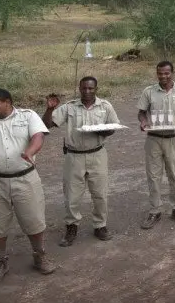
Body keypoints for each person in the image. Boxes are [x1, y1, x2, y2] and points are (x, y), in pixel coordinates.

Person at [0, 88, 56, 284]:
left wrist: (30, 152)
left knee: (34, 220)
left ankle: (39, 255)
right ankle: (1, 262)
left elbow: (38, 136)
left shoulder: (28, 116)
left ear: (7, 102)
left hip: (25, 178)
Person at [43, 77, 121, 246]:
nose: (87, 92)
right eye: (84, 88)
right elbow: (47, 124)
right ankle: (71, 227)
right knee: (71, 195)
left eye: (90, 88)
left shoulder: (105, 106)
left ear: (96, 89)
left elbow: (113, 128)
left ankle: (100, 225)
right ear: (79, 89)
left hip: (97, 154)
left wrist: (104, 131)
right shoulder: (70, 106)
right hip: (74, 156)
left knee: (100, 194)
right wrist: (49, 109)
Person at [136, 61, 175, 229]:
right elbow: (141, 112)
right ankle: (155, 210)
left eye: (166, 73)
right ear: (157, 74)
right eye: (160, 73)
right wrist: (143, 121)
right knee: (153, 177)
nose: (163, 76)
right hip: (153, 139)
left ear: (172, 73)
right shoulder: (149, 91)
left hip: (174, 138)